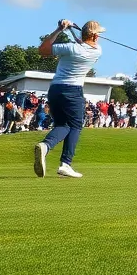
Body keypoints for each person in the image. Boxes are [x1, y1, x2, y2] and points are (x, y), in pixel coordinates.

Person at [33, 19, 103, 179]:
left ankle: (45, 145)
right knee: (76, 126)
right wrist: (69, 29)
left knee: (63, 125)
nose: (99, 36)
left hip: (55, 89)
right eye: (98, 33)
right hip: (73, 90)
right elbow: (82, 43)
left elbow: (43, 50)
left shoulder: (69, 48)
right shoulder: (97, 51)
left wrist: (59, 29)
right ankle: (65, 164)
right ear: (94, 36)